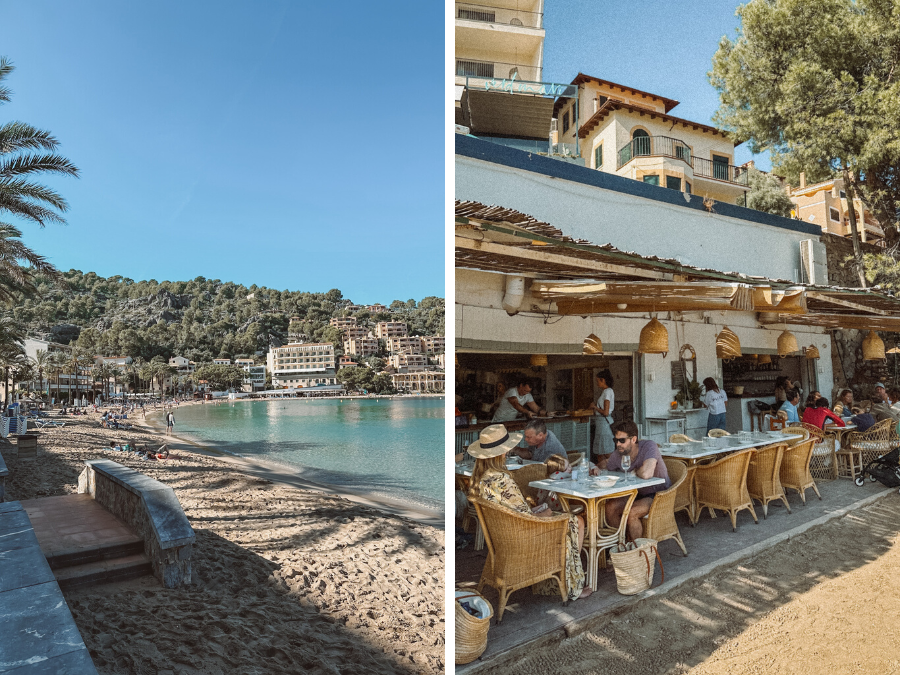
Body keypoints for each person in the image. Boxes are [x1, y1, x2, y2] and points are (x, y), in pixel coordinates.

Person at [467, 424, 590, 600]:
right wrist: (545, 514)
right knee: (577, 521)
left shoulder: (483, 477)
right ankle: (571, 586)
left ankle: (559, 579)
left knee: (558, 514)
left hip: (503, 536)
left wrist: (535, 510)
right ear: (503, 452)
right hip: (523, 536)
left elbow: (515, 511)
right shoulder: (502, 479)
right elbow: (525, 518)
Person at [592, 421, 671, 541]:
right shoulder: (620, 453)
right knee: (610, 507)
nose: (618, 444)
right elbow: (606, 464)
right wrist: (595, 467)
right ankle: (621, 544)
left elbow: (646, 473)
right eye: (616, 440)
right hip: (637, 493)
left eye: (622, 440)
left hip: (660, 494)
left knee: (632, 512)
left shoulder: (649, 446)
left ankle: (636, 552)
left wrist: (635, 471)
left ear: (633, 439)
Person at [589, 369, 615, 460]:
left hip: (604, 424)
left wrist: (595, 407)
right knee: (600, 451)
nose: (597, 383)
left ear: (603, 380)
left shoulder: (607, 392)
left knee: (606, 450)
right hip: (601, 424)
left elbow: (606, 412)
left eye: (597, 380)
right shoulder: (606, 392)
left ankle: (612, 468)